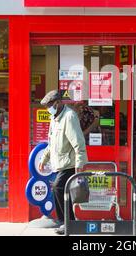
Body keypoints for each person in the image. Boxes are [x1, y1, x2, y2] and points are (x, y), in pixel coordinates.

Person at [38, 90, 88, 235]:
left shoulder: (69, 117)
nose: (48, 109)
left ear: (58, 103)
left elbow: (78, 143)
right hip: (60, 163)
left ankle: (68, 222)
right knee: (59, 190)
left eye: (49, 105)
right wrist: (44, 158)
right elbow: (51, 142)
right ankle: (66, 222)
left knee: (58, 188)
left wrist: (80, 164)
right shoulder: (54, 118)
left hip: (70, 163)